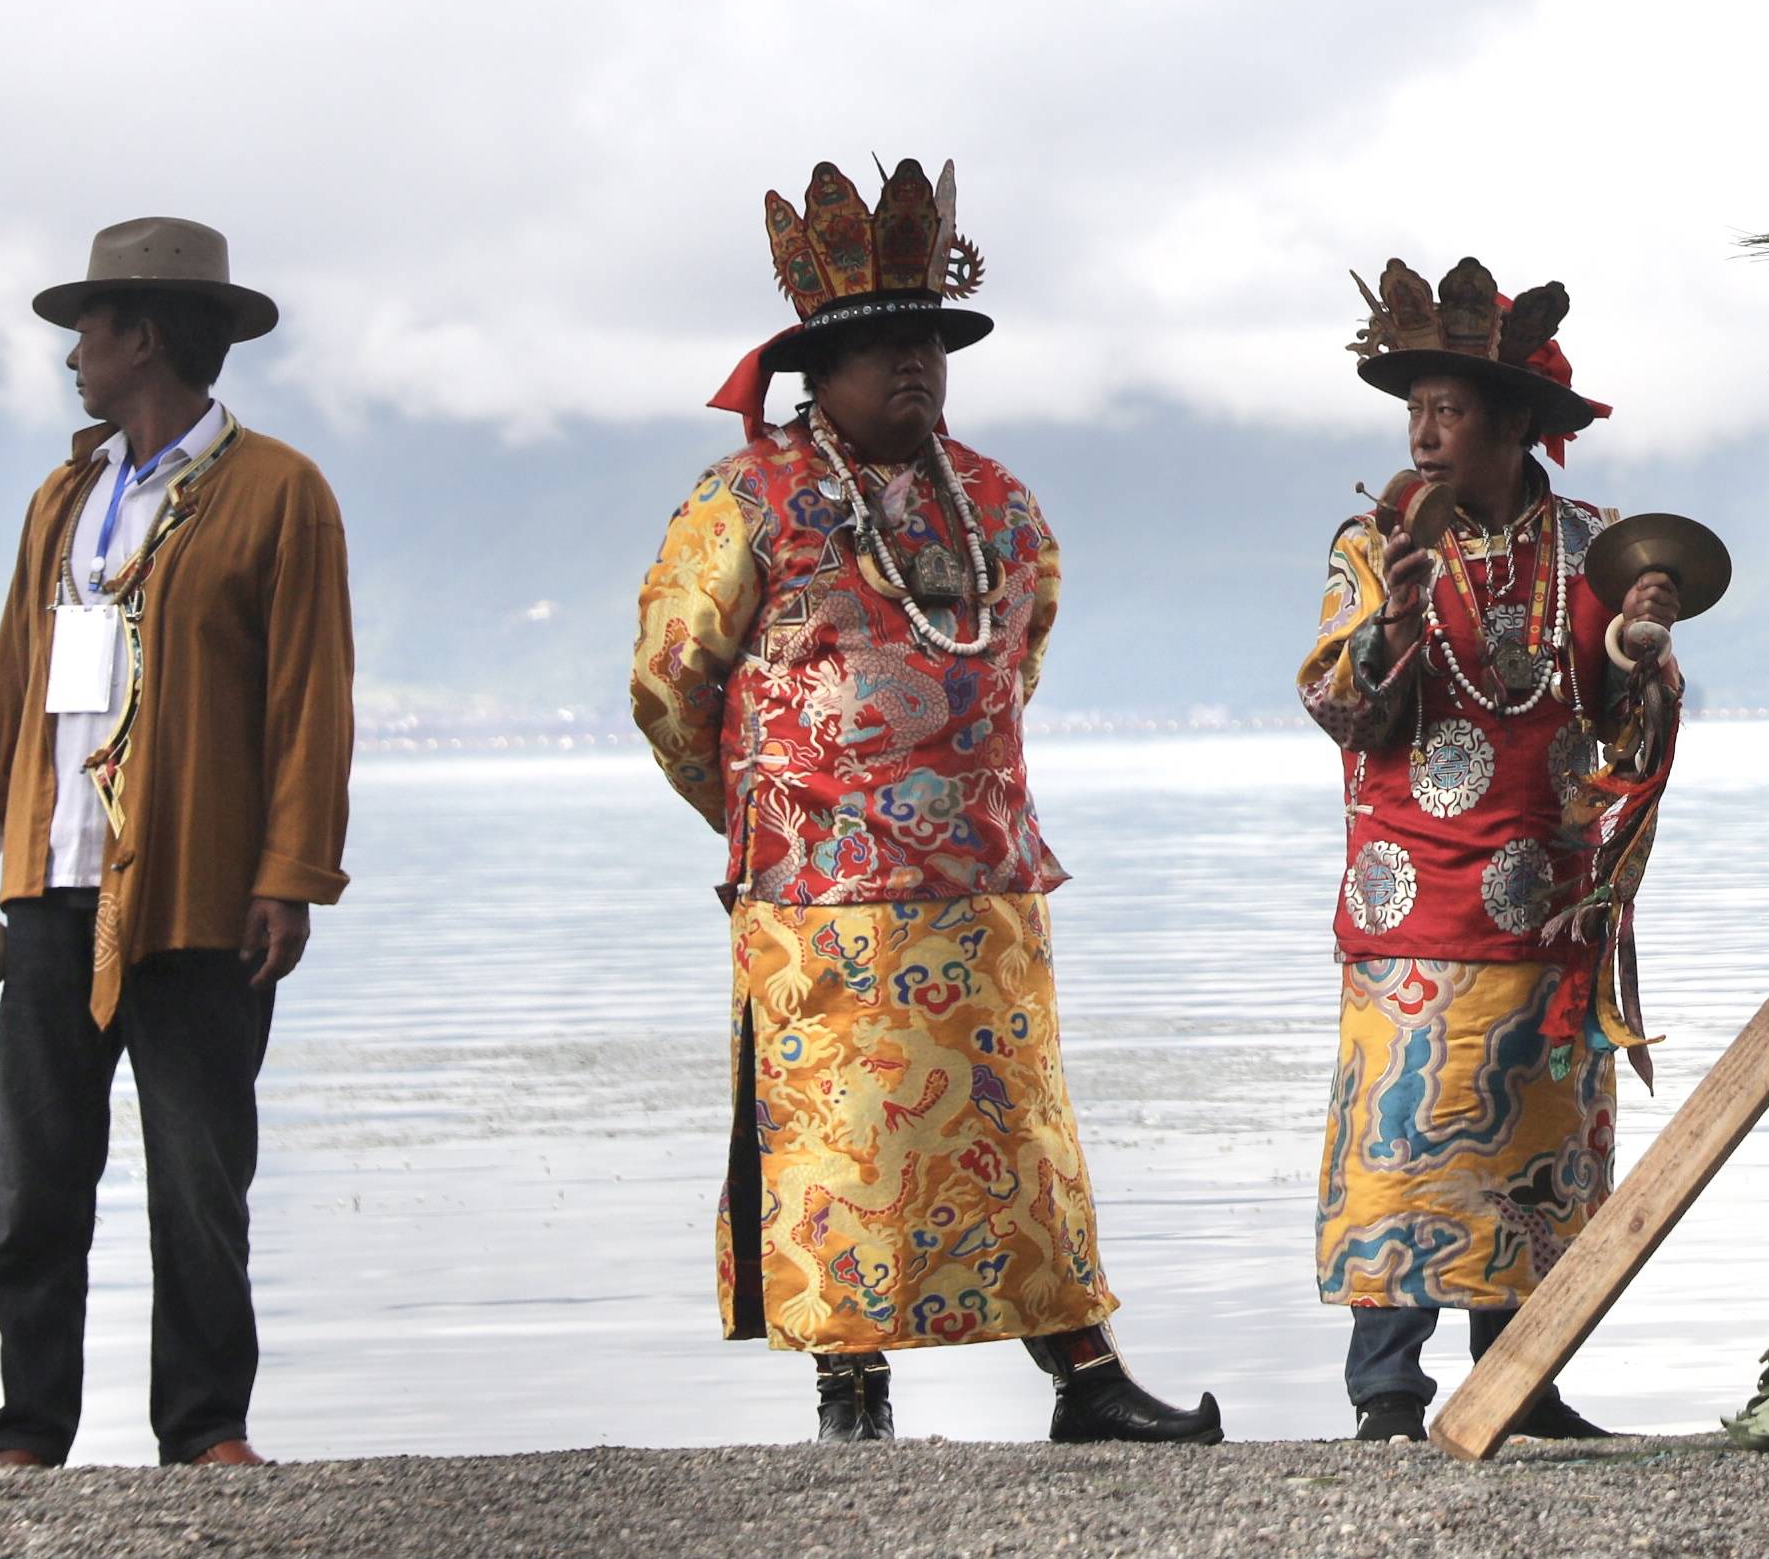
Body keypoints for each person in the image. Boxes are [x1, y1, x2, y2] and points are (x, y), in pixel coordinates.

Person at [629, 159, 1218, 1446]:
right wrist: (770, 812)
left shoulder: (1000, 499)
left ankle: (1086, 1373)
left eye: (931, 344)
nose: (916, 365)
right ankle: (853, 1394)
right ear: (812, 371)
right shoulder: (747, 498)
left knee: (1019, 1132)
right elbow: (673, 681)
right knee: (844, 1142)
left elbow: (1022, 652)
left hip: (985, 879)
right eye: (884, 346)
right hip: (818, 898)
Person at [0, 217, 353, 1470]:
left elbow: (309, 699)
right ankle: (30, 1431)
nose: (71, 353)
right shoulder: (63, 498)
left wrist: (290, 874)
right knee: (34, 1185)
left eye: (88, 329)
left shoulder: (283, 493)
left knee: (198, 1176)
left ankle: (206, 1427)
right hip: (55, 883)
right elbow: (16, 677)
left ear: (145, 337)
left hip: (206, 890)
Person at [1297, 257, 1687, 1442]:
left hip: (1549, 904)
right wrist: (1398, 627)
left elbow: (1635, 727)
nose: (1421, 433)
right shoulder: (1369, 547)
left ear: (1514, 424)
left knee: (1536, 1151)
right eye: (1411, 409)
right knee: (1403, 1143)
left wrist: (1634, 653)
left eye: (1448, 410)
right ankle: (1387, 1393)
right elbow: (1339, 705)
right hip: (1413, 900)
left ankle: (1525, 1381)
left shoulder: (1600, 546)